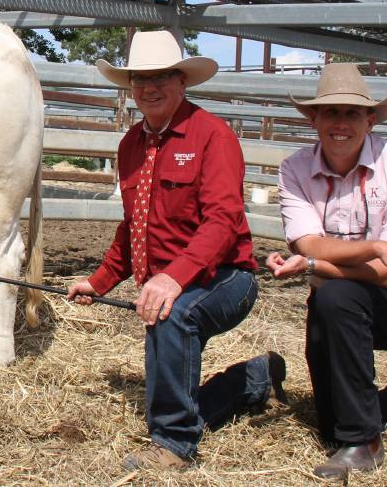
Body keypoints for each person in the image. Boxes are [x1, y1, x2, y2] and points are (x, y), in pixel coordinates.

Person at [67, 30, 283, 472]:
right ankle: (254, 379)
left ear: (182, 81)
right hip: (171, 285)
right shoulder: (131, 144)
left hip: (227, 278)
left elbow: (223, 223)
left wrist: (172, 277)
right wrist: (100, 280)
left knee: (173, 315)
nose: (149, 88)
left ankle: (175, 445)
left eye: (161, 76)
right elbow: (134, 225)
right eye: (139, 79)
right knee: (171, 362)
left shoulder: (212, 136)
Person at [266, 62, 387, 480]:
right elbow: (308, 242)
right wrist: (376, 246)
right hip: (339, 304)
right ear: (313, 118)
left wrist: (318, 265)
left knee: (333, 295)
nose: (340, 123)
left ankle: (364, 443)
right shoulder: (294, 168)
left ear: (370, 120)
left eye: (351, 113)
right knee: (329, 425)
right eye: (330, 112)